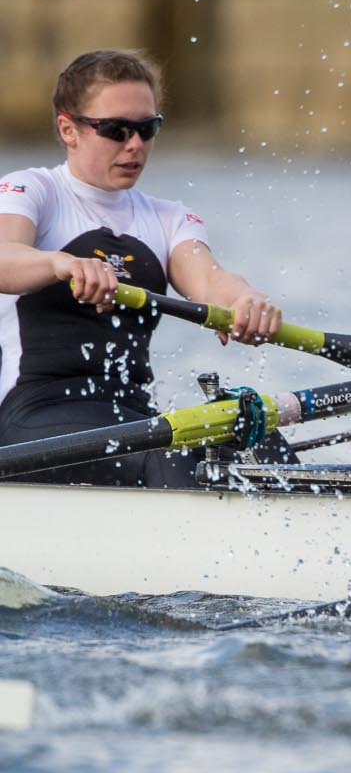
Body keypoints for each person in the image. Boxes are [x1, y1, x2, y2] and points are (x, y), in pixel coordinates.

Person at [0, 49, 283, 485]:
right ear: (68, 129)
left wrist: (245, 301)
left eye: (147, 129)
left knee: (260, 442)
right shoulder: (33, 191)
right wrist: (60, 263)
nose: (135, 145)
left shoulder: (169, 217)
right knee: (171, 455)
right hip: (36, 413)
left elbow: (210, 280)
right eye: (116, 130)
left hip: (133, 413)